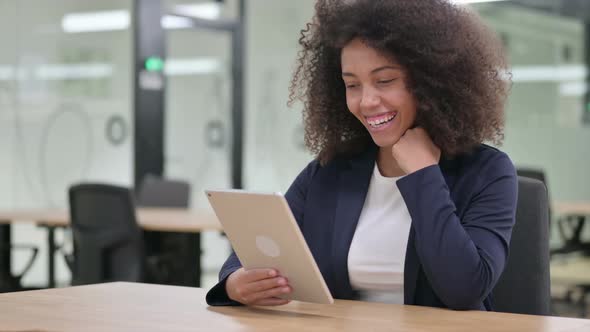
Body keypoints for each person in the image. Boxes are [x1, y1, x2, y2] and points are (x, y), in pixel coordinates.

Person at [206, 0, 517, 310]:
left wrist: (423, 175)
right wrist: (235, 283)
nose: (366, 101)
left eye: (385, 81)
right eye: (352, 85)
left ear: (430, 82)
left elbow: (463, 289)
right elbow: (251, 253)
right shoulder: (330, 172)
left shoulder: (486, 171)